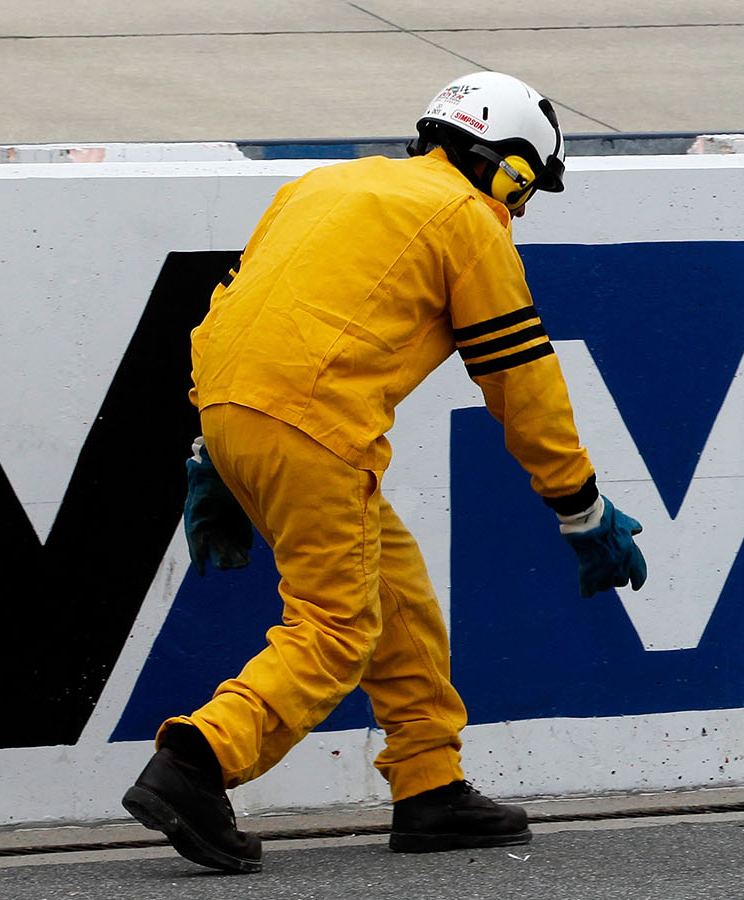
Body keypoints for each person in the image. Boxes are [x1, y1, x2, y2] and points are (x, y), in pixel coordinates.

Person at [120, 71, 647, 875]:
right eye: (527, 188)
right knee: (336, 629)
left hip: (233, 413)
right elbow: (521, 382)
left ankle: (429, 784)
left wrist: (210, 455)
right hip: (317, 427)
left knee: (394, 591)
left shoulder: (322, 185)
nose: (522, 209)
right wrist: (578, 506)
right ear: (503, 165)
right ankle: (198, 760)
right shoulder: (469, 220)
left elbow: (231, 315)